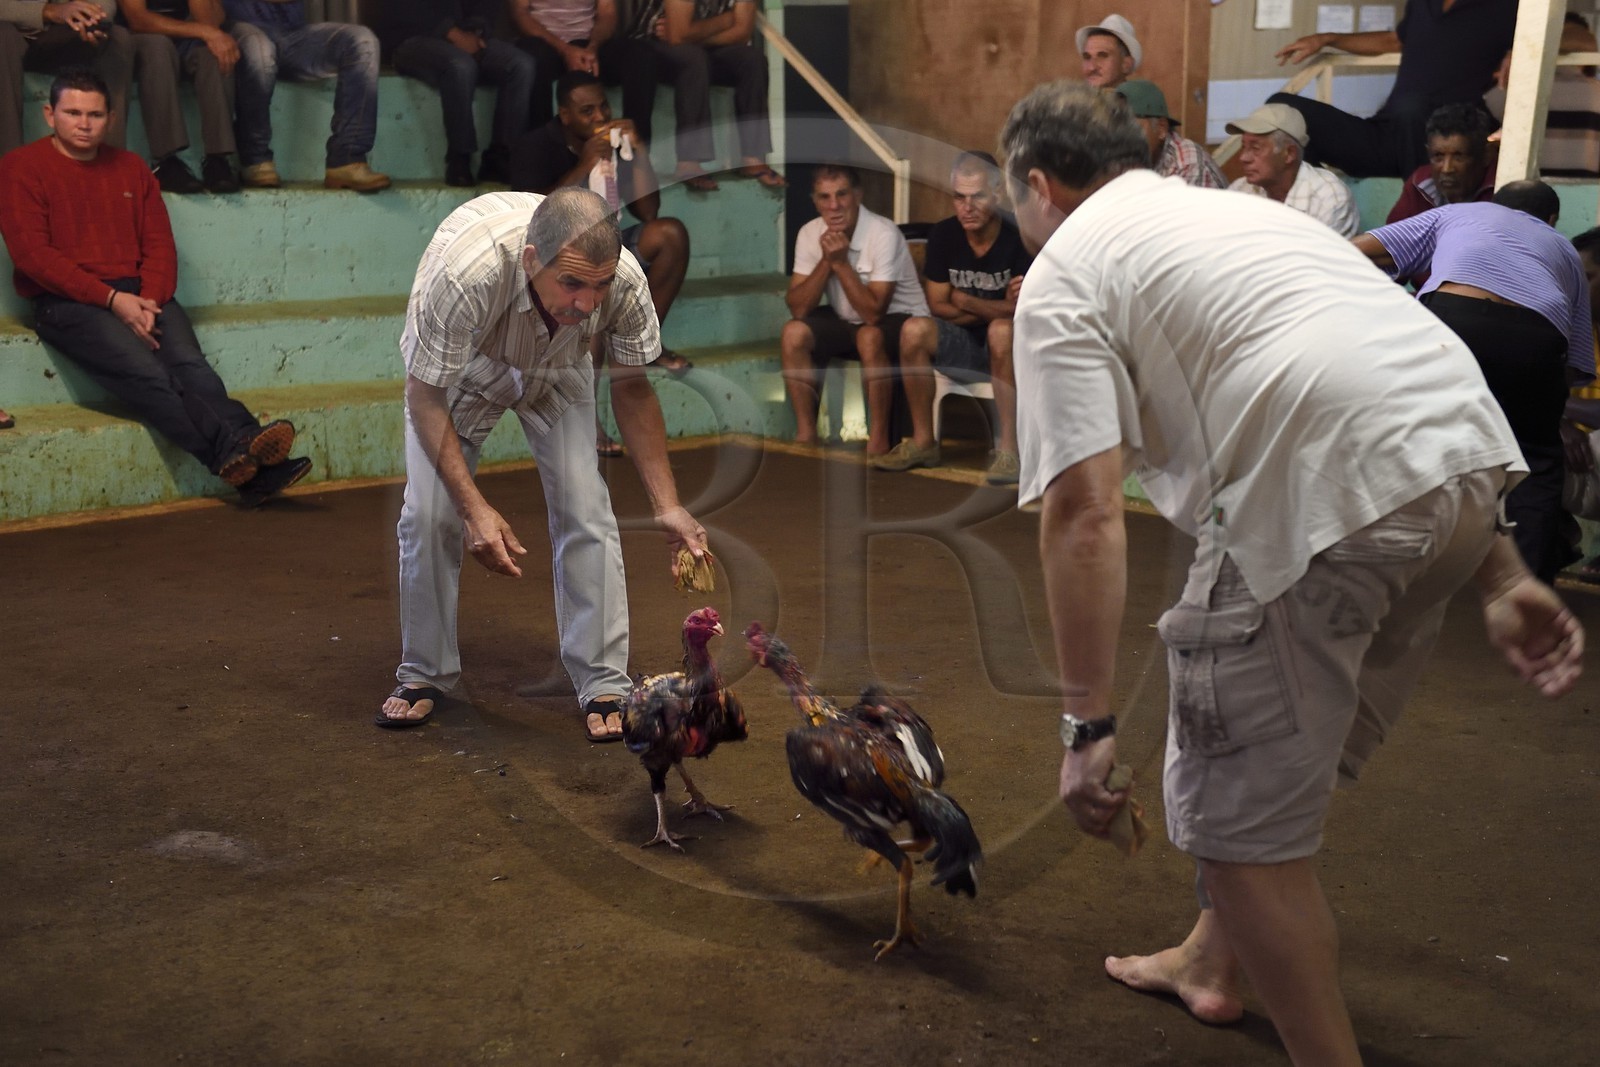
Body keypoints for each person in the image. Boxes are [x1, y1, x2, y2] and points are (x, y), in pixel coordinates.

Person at [1001, 82, 1583, 1067]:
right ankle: (1207, 962)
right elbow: (1389, 374)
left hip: (1320, 508)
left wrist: (1086, 723)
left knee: (1242, 838)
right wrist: (1498, 571)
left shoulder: (1066, 270)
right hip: (1461, 471)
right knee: (1267, 792)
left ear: (1040, 184)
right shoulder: (1245, 216)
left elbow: (1086, 510)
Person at [378, 187, 709, 742]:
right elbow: (424, 397)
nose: (587, 303)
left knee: (587, 504)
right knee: (429, 514)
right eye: (572, 283)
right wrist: (474, 507)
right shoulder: (466, 277)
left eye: (598, 286)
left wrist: (667, 504)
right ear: (532, 260)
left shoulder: (623, 282)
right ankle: (424, 673)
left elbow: (631, 389)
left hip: (560, 368)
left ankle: (603, 678)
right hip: (466, 368)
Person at [0, 69, 311, 505]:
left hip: (142, 292)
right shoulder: (20, 167)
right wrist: (112, 300)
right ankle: (234, 453)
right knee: (149, 375)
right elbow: (33, 257)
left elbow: (160, 244)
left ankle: (250, 459)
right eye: (72, 112)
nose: (84, 123)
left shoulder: (130, 167)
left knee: (191, 366)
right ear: (50, 115)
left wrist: (146, 299)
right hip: (67, 302)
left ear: (110, 117)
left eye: (94, 114)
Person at [1355, 182, 1594, 586]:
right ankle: (1527, 589)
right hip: (1535, 338)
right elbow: (1571, 361)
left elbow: (1353, 249)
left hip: (1452, 320)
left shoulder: (1459, 213)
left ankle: (1380, 571)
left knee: (1409, 440)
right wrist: (1543, 416)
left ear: (1492, 203)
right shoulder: (1564, 250)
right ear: (1551, 220)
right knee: (1534, 463)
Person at [509, 68, 693, 426]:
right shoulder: (536, 145)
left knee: (670, 234)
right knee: (587, 321)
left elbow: (649, 210)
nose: (601, 118)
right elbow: (531, 218)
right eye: (587, 111)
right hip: (561, 258)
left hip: (613, 244)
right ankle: (588, 428)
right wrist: (584, 165)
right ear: (565, 115)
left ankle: (644, 343)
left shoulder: (616, 142)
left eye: (604, 108)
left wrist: (637, 152)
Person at [881, 151, 1030, 483]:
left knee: (1002, 331)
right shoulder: (945, 235)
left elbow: (1024, 311)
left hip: (1014, 352)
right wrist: (994, 307)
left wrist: (963, 299)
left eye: (977, 196)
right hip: (964, 343)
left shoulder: (1019, 235)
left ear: (997, 193)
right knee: (913, 330)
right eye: (959, 197)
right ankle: (923, 443)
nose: (967, 207)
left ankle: (1008, 451)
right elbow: (937, 306)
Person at [1269, 0, 1520, 178]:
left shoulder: (1509, 5)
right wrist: (1328, 39)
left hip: (1451, 137)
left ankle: (1423, 206)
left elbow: (1560, 32)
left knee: (1411, 108)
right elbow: (1394, 40)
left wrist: (1520, 46)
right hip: (1392, 134)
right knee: (1282, 108)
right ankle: (1317, 200)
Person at [780, 163, 928, 457]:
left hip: (902, 319)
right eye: (824, 197)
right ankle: (807, 435)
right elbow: (798, 308)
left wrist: (842, 263)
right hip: (848, 318)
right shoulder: (810, 233)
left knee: (869, 336)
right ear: (815, 201)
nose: (834, 206)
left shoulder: (882, 233)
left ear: (858, 195)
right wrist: (827, 261)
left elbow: (874, 313)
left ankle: (878, 441)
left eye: (842, 195)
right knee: (793, 333)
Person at [221, 0, 389, 191]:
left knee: (362, 41)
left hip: (292, 33)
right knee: (258, 48)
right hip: (240, 29)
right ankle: (255, 158)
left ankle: (347, 159)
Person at [374, 0, 533, 187]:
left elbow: (484, 9)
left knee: (521, 65)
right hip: (411, 38)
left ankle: (500, 157)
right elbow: (403, 11)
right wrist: (451, 33)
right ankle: (459, 157)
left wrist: (476, 32)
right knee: (461, 67)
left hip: (462, 37)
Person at [629, 0, 781, 192]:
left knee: (753, 60)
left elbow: (742, 33)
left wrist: (696, 36)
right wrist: (727, 20)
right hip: (654, 47)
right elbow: (677, 36)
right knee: (694, 59)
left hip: (701, 47)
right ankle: (688, 161)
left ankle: (752, 157)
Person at [120, 0, 240, 193]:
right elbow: (138, 20)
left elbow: (212, 22)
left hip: (186, 40)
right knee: (159, 47)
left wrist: (207, 31)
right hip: (142, 39)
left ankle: (218, 159)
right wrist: (203, 31)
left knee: (216, 53)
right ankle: (166, 161)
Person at [1, 0, 133, 156]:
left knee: (117, 37)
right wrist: (48, 11)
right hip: (13, 35)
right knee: (2, 34)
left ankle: (109, 160)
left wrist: (89, 18)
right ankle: (7, 161)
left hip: (62, 34)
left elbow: (106, 6)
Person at [1484, 13, 1600, 179]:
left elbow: (1489, 103)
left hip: (1531, 187)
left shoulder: (1523, 90)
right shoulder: (1596, 92)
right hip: (1589, 192)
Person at [1226, 102, 1360, 237]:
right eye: (1243, 146)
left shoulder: (1328, 198)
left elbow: (1322, 257)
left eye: (1255, 148)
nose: (1243, 158)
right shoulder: (1239, 190)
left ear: (1289, 153)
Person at [1385, 102, 1495, 224]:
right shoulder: (1419, 185)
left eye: (1459, 157)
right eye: (1438, 156)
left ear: (1486, 155)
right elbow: (1389, 238)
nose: (1447, 169)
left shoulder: (1500, 191)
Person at [511, 0, 614, 130]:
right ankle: (543, 140)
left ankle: (635, 144)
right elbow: (520, 13)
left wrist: (593, 47)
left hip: (587, 42)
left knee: (640, 54)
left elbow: (607, 13)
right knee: (532, 58)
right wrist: (565, 49)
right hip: (544, 42)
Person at [1115, 79, 1225, 189]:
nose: (1122, 136)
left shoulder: (1187, 161)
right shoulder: (1122, 159)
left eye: (1132, 128)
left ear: (1161, 128)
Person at [1566, 227, 1600, 583]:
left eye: (1586, 278)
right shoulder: (1565, 325)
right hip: (1577, 458)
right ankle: (1552, 541)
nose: (1576, 288)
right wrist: (1558, 426)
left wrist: (1557, 410)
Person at [1077, 13, 1138, 92]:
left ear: (1126, 65)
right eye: (1087, 57)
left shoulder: (1143, 102)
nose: (1091, 67)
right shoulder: (1068, 101)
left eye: (1102, 56)